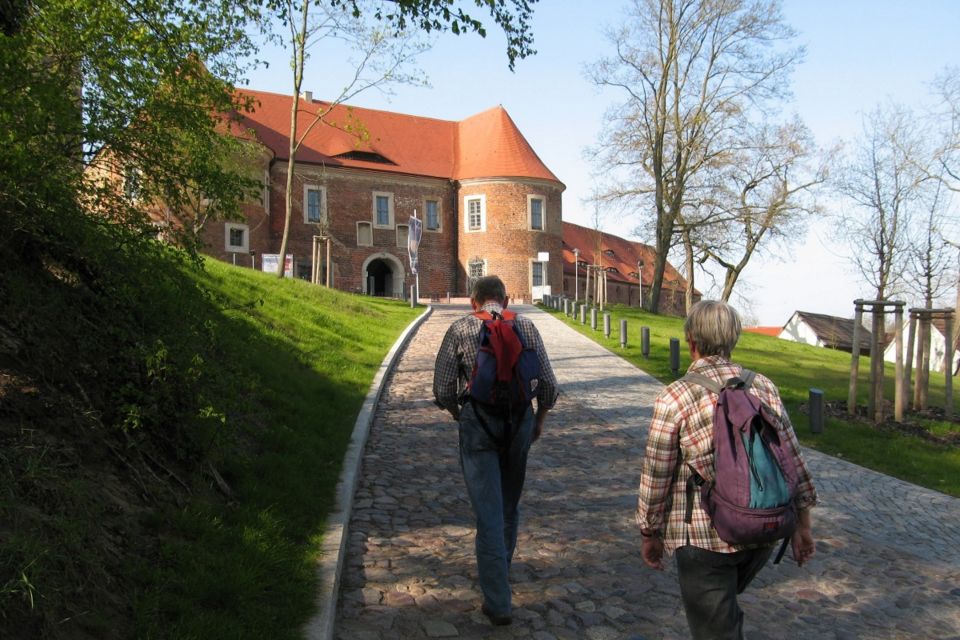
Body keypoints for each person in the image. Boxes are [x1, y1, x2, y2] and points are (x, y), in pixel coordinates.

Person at [636, 300, 818, 640]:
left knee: (716, 630)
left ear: (691, 339)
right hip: (762, 528)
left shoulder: (675, 397)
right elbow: (791, 458)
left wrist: (650, 532)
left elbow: (657, 474)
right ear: (733, 339)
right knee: (722, 617)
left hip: (703, 538)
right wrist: (802, 525)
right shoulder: (763, 387)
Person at [433, 275, 558, 626]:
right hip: (519, 423)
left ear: (474, 303)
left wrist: (460, 414)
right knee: (508, 505)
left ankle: (498, 600)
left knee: (488, 513)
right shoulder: (528, 327)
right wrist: (540, 420)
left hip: (478, 424)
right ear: (504, 300)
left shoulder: (460, 329)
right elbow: (548, 385)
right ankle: (499, 573)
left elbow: (442, 388)